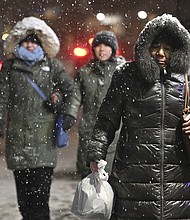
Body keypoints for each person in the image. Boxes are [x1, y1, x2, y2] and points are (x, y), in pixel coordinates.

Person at [87, 14, 190, 219]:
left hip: (178, 178)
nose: (161, 53)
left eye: (168, 48)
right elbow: (107, 118)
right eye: (155, 47)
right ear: (146, 47)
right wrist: (96, 152)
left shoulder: (187, 78)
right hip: (133, 177)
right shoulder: (126, 75)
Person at [0, 16, 80, 220]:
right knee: (24, 202)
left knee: (40, 199)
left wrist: (68, 111)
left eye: (33, 42)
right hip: (17, 141)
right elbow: (1, 97)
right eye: (26, 41)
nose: (28, 45)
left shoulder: (52, 66)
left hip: (44, 142)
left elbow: (71, 89)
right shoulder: (9, 68)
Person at [75, 30, 125, 178]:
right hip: (89, 131)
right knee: (88, 179)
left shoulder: (122, 72)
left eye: (106, 45)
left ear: (113, 49)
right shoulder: (85, 72)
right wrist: (68, 113)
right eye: (98, 46)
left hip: (115, 132)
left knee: (111, 177)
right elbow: (74, 97)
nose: (102, 49)